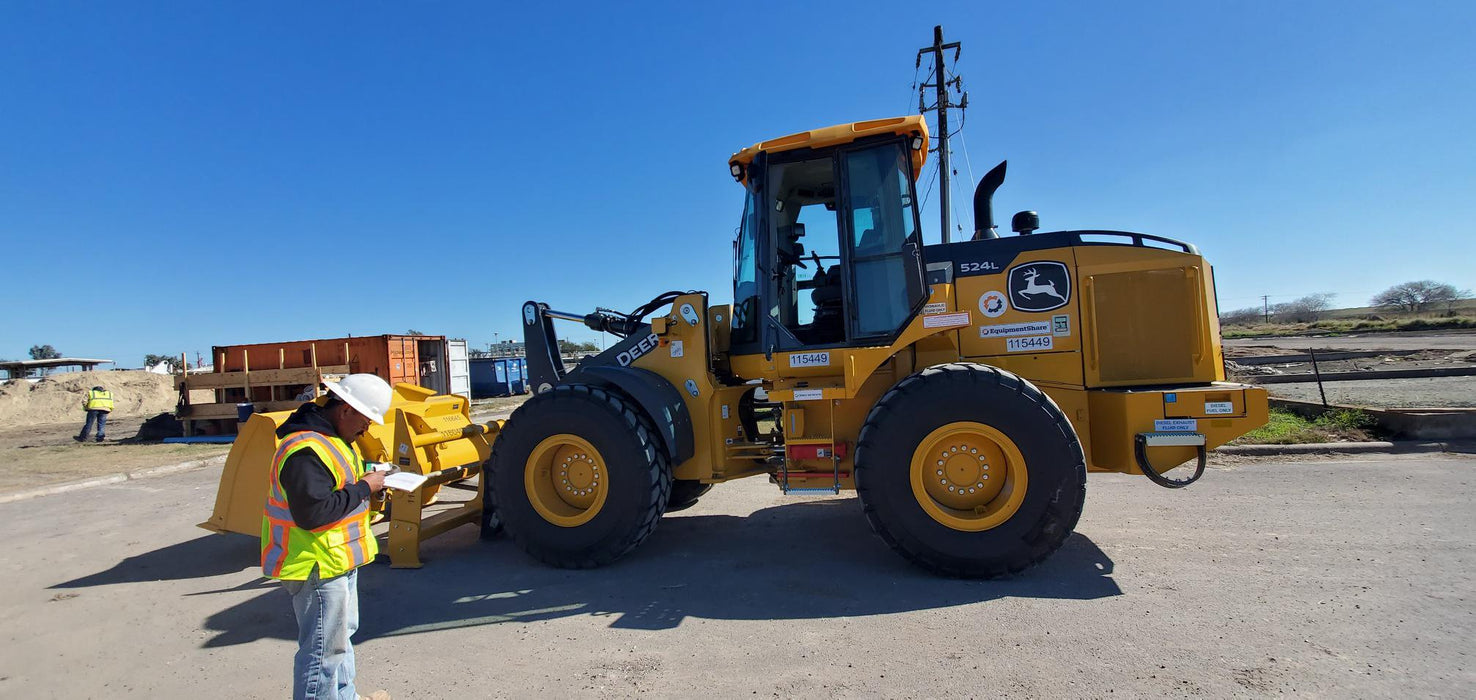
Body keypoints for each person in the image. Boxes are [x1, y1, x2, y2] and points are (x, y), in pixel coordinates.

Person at [262, 373, 394, 700]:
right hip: (317, 567)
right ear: (346, 409)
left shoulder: (334, 440)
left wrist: (368, 484)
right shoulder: (305, 450)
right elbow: (313, 514)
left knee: (339, 644)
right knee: (322, 653)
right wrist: (365, 487)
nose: (367, 429)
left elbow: (339, 492)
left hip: (337, 561)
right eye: (365, 420)